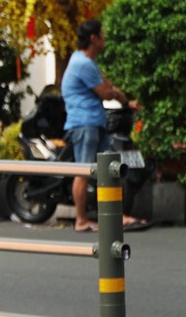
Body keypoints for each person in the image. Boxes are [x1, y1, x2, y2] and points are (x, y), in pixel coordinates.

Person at [60, 18, 147, 233]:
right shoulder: (82, 63)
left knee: (108, 170)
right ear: (93, 38)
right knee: (84, 171)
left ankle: (116, 216)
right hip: (84, 124)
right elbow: (107, 92)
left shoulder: (87, 62)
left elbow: (108, 86)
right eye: (102, 35)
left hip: (94, 123)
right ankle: (81, 220)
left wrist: (124, 100)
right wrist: (115, 93)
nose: (105, 39)